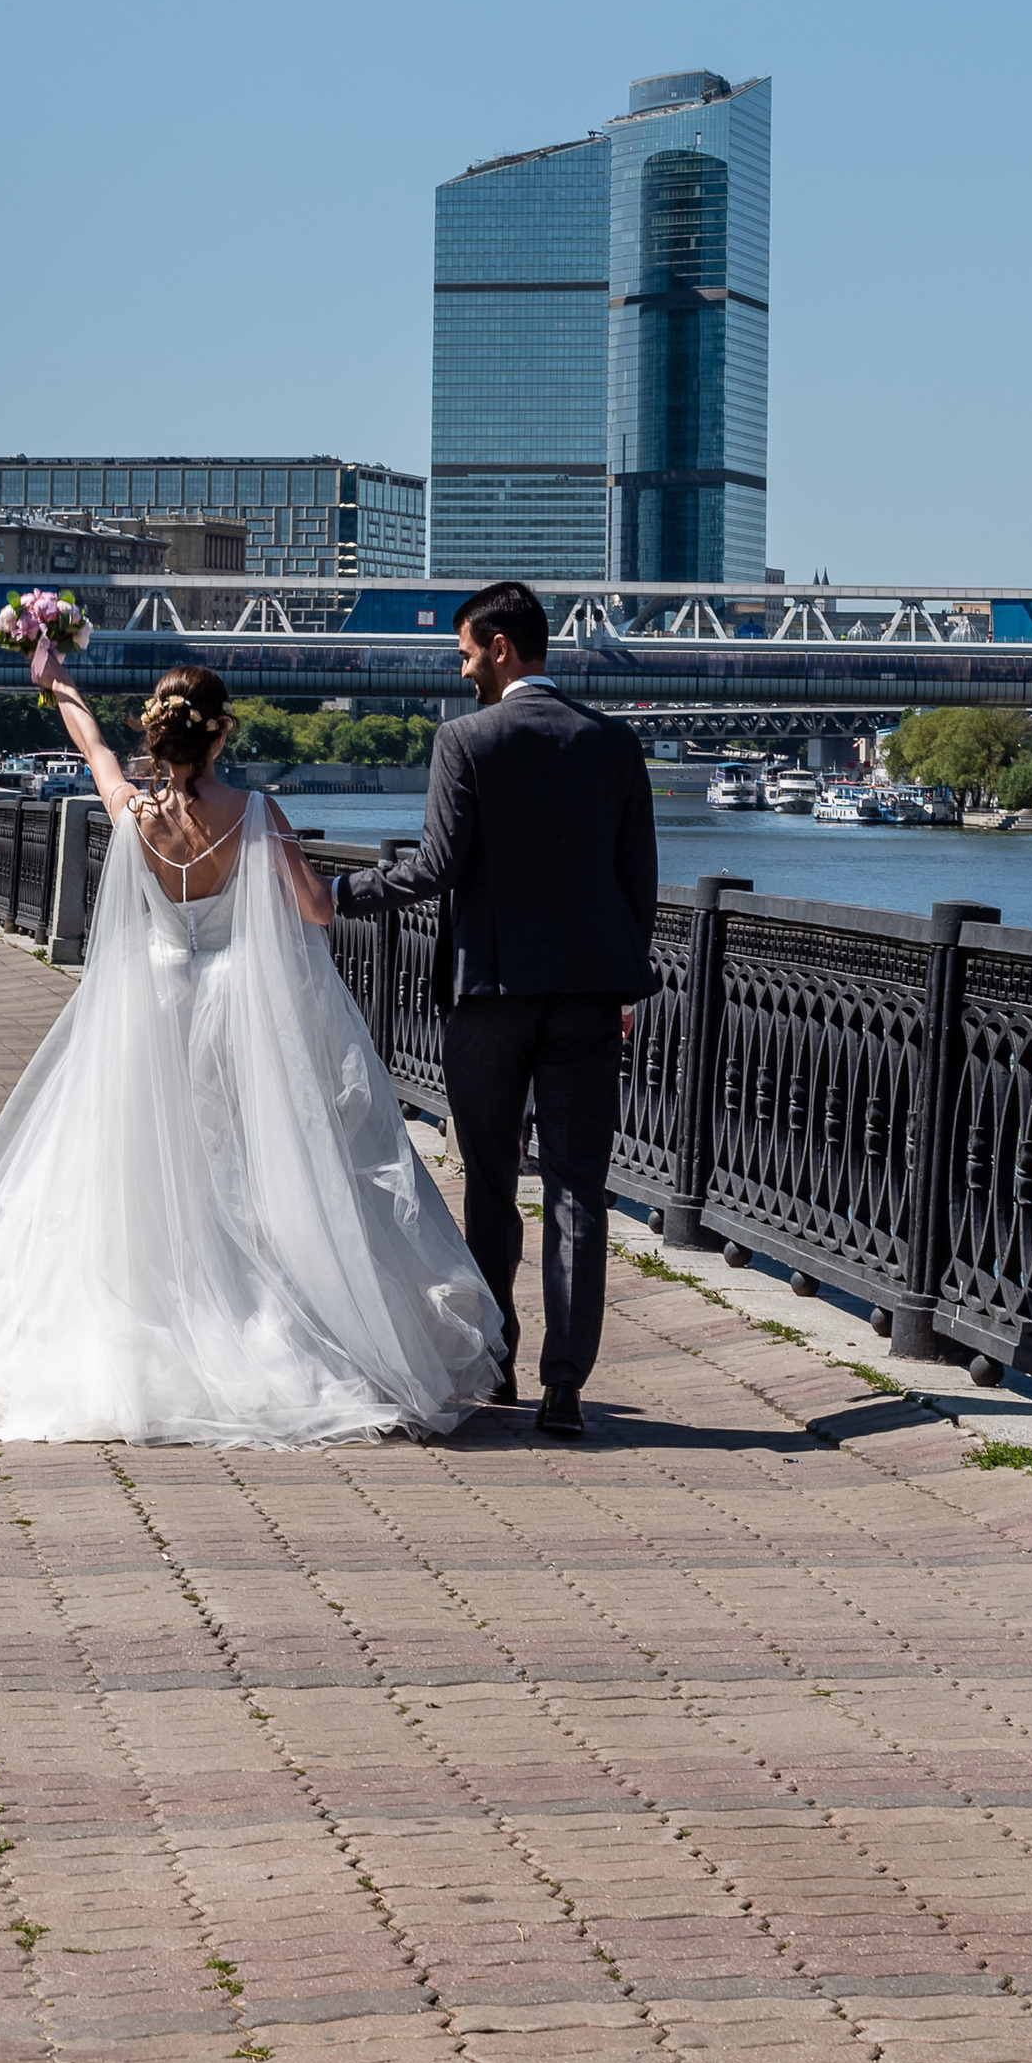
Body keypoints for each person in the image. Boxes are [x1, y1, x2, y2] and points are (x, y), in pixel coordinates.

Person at [0, 656, 503, 1449]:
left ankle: (162, 1318)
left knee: (150, 1165)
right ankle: (265, 1317)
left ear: (155, 734)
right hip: (239, 1008)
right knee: (253, 1167)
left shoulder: (133, 813)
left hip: (157, 1001)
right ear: (221, 734)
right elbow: (314, 908)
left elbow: (93, 749)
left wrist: (59, 684)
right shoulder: (257, 812)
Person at [330, 581, 657, 1441]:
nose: (462, 667)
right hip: (589, 997)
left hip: (489, 998)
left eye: (467, 651)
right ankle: (566, 1387)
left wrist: (337, 894)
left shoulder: (465, 740)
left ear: (501, 648)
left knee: (490, 1181)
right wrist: (624, 985)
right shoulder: (614, 743)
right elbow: (637, 884)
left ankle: (497, 1356)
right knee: (579, 1191)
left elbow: (436, 867)